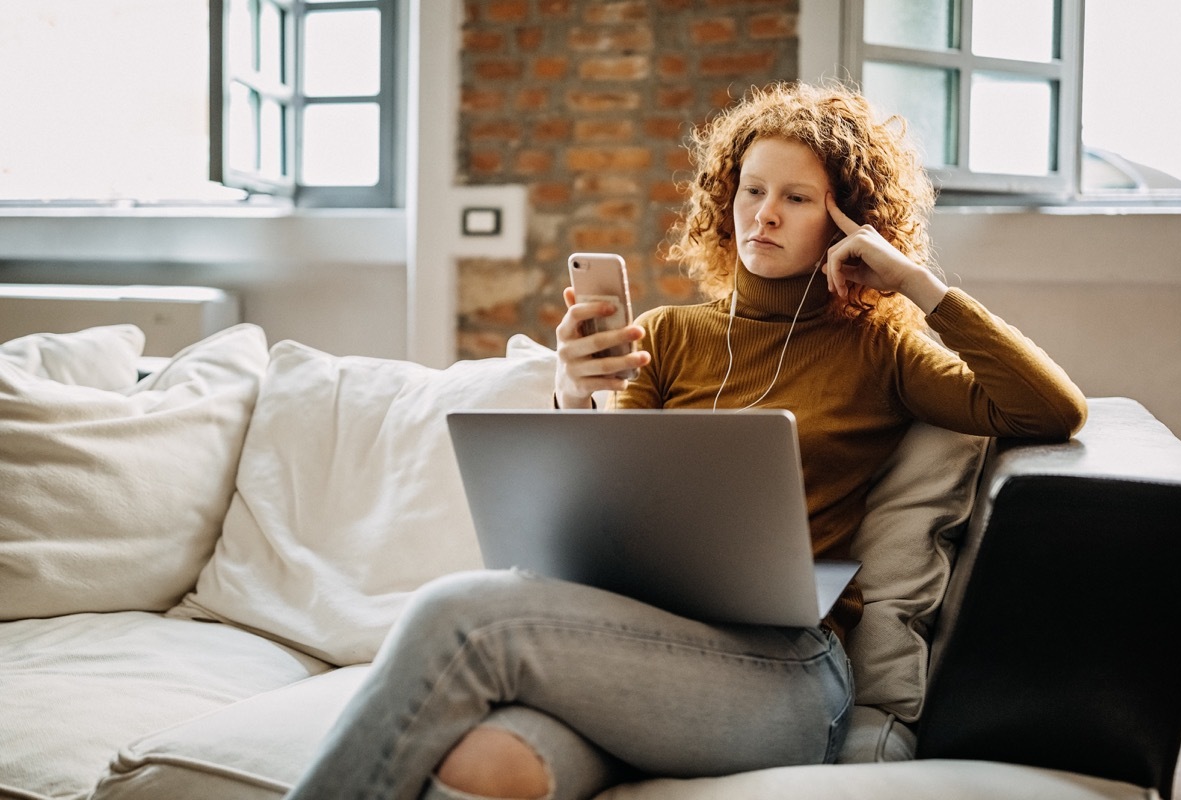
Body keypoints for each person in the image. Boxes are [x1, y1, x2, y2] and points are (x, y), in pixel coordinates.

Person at [285, 81, 1087, 800]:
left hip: (785, 675)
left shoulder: (880, 347)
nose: (763, 214)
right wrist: (574, 394)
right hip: (645, 647)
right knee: (491, 765)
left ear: (850, 221)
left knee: (460, 612)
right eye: (752, 189)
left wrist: (913, 280)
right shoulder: (668, 335)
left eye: (797, 199)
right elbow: (609, 512)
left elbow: (1049, 408)